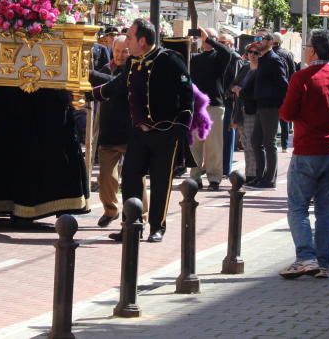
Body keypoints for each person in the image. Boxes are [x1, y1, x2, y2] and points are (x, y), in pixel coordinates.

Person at [92, 19, 195, 243]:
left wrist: (181, 127)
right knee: (130, 179)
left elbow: (187, 94)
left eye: (130, 37)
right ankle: (131, 225)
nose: (127, 41)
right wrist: (90, 93)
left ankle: (157, 227)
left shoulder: (170, 60)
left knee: (160, 182)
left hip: (165, 133)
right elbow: (117, 86)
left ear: (143, 40)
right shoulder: (132, 63)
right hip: (138, 133)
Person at [278, 29, 329, 279]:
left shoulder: (302, 78)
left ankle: (306, 257)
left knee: (298, 207)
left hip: (307, 150)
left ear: (313, 50)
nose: (304, 50)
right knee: (326, 209)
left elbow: (286, 114)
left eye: (307, 46)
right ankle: (323, 263)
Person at [89, 35, 140, 227]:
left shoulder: (134, 69)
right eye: (116, 51)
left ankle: (139, 215)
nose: (119, 55)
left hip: (130, 131)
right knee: (106, 178)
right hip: (108, 131)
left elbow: (117, 85)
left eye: (124, 51)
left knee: (134, 178)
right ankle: (111, 210)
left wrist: (91, 74)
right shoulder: (105, 68)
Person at [189, 28, 234, 191]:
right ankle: (194, 176)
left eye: (209, 38)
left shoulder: (219, 57)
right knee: (194, 144)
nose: (205, 40)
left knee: (213, 144)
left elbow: (226, 52)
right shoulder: (195, 59)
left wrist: (211, 39)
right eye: (203, 37)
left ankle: (214, 178)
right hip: (197, 106)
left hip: (214, 105)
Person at [249, 34, 289, 189]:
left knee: (269, 142)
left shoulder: (274, 59)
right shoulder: (262, 59)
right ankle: (260, 176)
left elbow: (283, 84)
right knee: (255, 141)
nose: (258, 42)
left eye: (262, 39)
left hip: (271, 106)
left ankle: (269, 179)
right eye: (257, 39)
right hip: (261, 105)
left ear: (271, 42)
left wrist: (279, 103)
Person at [232, 43, 260, 183]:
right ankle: (250, 173)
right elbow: (233, 84)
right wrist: (235, 88)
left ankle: (254, 174)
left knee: (252, 143)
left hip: (253, 110)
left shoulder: (262, 70)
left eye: (256, 53)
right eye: (250, 52)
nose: (253, 55)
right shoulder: (244, 68)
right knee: (244, 142)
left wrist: (241, 91)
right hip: (240, 109)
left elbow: (257, 91)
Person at [219, 33, 244, 177]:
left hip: (228, 102)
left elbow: (235, 80)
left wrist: (226, 94)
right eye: (218, 41)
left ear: (231, 43)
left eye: (223, 41)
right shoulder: (221, 57)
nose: (219, 44)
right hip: (218, 101)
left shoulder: (234, 58)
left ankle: (225, 168)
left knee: (227, 134)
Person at [269, 32, 297, 150]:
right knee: (283, 119)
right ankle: (285, 145)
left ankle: (271, 143)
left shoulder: (267, 54)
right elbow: (293, 72)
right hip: (284, 90)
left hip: (269, 90)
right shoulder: (287, 54)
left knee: (270, 118)